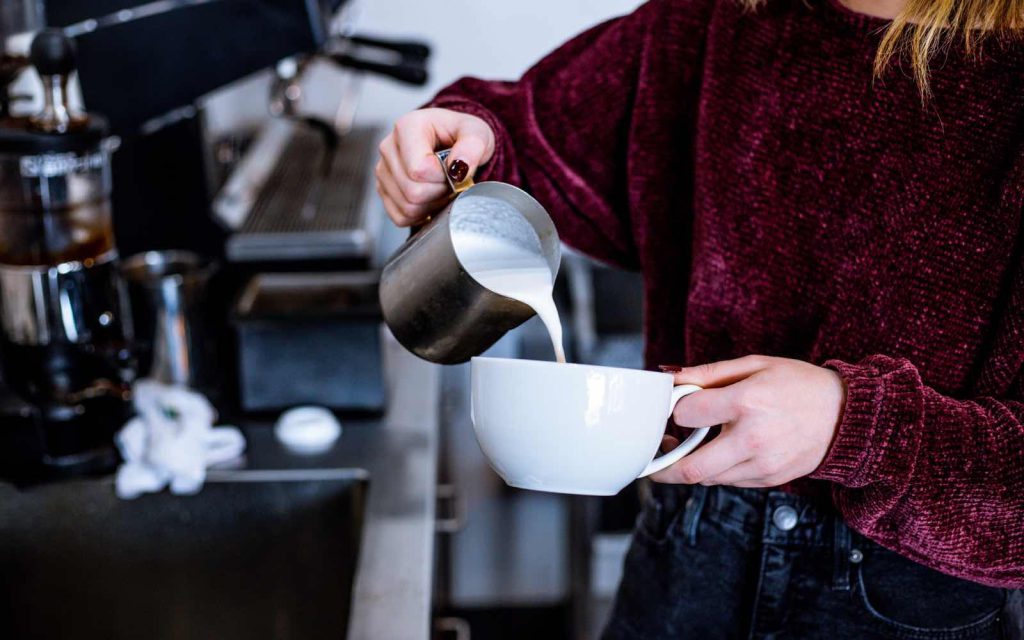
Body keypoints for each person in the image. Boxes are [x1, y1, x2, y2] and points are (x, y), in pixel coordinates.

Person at [375, 0, 1024, 637]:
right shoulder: (713, 22)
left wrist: (857, 429)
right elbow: (530, 143)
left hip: (919, 597)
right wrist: (462, 151)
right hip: (687, 554)